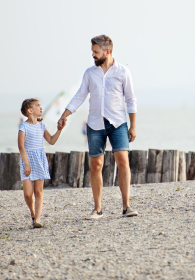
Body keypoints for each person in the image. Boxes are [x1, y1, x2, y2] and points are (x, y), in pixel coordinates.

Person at [58, 35, 138, 219]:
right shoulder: (89, 73)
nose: (93, 55)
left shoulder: (123, 71)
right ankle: (98, 209)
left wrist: (133, 126)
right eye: (92, 51)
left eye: (96, 52)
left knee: (123, 162)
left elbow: (131, 99)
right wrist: (65, 115)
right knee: (96, 165)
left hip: (118, 123)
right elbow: (80, 96)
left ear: (107, 51)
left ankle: (126, 207)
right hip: (94, 124)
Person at [19, 98, 65, 228]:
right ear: (30, 110)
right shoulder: (23, 127)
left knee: (38, 191)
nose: (40, 108)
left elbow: (51, 140)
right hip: (27, 160)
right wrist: (27, 164)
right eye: (38, 106)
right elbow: (21, 147)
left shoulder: (42, 125)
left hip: (39, 160)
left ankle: (37, 219)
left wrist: (59, 129)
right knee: (28, 193)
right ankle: (33, 213)